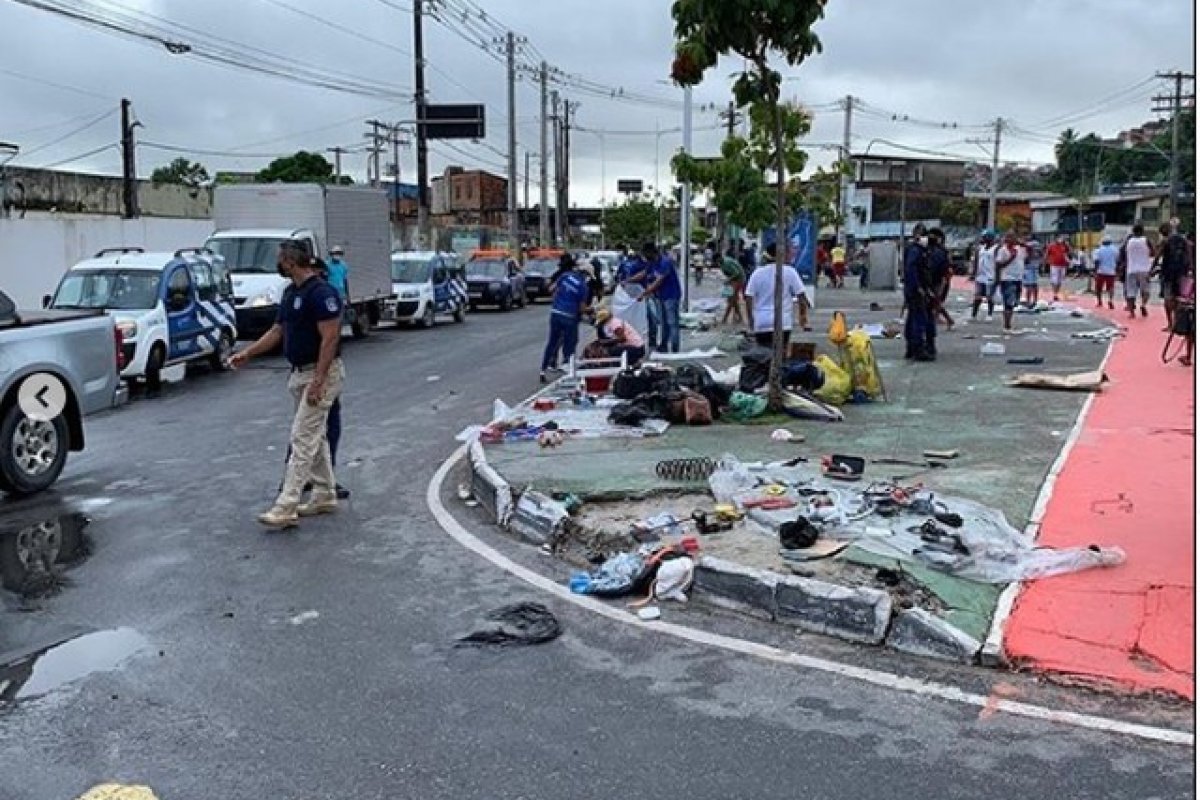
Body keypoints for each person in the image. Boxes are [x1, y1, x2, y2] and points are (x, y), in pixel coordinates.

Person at [231, 241, 345, 529]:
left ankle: (287, 504)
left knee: (301, 438)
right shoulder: (291, 292)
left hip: (321, 373)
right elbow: (277, 330)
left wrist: (319, 380)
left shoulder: (321, 293)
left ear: (291, 262)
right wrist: (248, 353)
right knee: (314, 437)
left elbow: (330, 338)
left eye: (280, 259)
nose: (278, 264)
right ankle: (324, 493)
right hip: (299, 373)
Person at [539, 253, 590, 383]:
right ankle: (568, 367)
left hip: (555, 313)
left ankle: (543, 370)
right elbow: (582, 309)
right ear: (585, 275)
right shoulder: (583, 286)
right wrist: (593, 310)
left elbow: (551, 289)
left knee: (552, 342)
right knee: (571, 342)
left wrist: (560, 298)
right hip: (569, 316)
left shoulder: (564, 276)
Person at [744, 248, 805, 351]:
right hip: (783, 322)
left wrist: (751, 319)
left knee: (763, 356)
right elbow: (801, 296)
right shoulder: (790, 271)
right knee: (781, 353)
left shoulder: (757, 273)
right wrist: (802, 316)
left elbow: (749, 297)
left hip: (762, 321)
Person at [637, 242, 683, 354]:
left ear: (651, 252)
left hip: (671, 295)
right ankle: (663, 345)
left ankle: (675, 348)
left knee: (672, 322)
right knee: (664, 322)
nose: (645, 257)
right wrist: (628, 281)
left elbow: (658, 281)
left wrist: (644, 293)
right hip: (661, 296)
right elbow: (644, 273)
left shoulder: (665, 262)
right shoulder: (652, 263)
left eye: (645, 254)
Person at [902, 224, 937, 361]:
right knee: (918, 319)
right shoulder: (916, 251)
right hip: (916, 290)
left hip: (915, 289)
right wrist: (918, 288)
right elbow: (912, 270)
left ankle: (912, 348)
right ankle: (917, 349)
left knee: (913, 318)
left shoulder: (916, 250)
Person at [1155, 222, 1193, 332]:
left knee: (1168, 299)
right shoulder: (1184, 240)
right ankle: (1177, 323)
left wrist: (1152, 270)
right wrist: (1190, 268)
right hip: (1182, 273)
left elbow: (1158, 256)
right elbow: (1189, 253)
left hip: (1168, 274)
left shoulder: (1165, 241)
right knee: (1179, 299)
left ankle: (1170, 324)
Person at [995, 231, 1026, 333]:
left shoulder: (1019, 249)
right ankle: (1007, 325)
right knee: (1008, 302)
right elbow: (999, 265)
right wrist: (1011, 258)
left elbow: (1030, 255)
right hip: (1007, 279)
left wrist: (1024, 244)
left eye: (1013, 237)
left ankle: (1008, 324)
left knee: (1014, 302)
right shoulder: (1002, 250)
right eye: (1008, 238)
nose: (1011, 240)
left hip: (1018, 279)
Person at [1122, 224, 1154, 319]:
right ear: (1142, 231)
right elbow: (1153, 252)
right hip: (1144, 269)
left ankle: (1132, 313)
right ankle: (1143, 305)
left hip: (1131, 269)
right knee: (1146, 290)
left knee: (1131, 292)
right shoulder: (1146, 240)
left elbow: (1124, 252)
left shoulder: (1129, 241)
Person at [927, 228, 954, 330]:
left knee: (935, 300)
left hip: (940, 279)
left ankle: (944, 319)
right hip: (932, 278)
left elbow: (948, 268)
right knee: (934, 301)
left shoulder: (943, 251)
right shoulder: (930, 249)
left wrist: (945, 281)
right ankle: (944, 319)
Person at [970, 231, 999, 322]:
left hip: (990, 275)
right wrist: (973, 273)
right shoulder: (980, 249)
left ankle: (989, 314)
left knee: (989, 296)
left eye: (985, 237)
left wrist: (998, 277)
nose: (983, 239)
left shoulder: (996, 249)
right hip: (980, 275)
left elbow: (998, 263)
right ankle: (974, 315)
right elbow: (976, 261)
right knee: (977, 296)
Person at [719, 245, 746, 326]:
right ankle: (740, 318)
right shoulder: (722, 263)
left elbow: (737, 273)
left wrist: (729, 279)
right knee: (733, 299)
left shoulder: (727, 262)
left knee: (731, 300)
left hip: (739, 279)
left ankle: (724, 319)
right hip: (733, 280)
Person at [1092, 235, 1120, 309]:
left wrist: (1095, 271)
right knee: (1110, 287)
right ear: (1110, 242)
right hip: (1111, 272)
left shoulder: (1098, 250)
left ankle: (1099, 301)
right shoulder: (1115, 250)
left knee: (1098, 288)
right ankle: (1110, 300)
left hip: (1101, 271)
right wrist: (1117, 271)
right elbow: (1117, 261)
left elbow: (1096, 262)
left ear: (1102, 242)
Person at [1045, 236, 1070, 303]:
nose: (1061, 240)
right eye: (1060, 238)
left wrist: (1066, 244)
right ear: (1056, 239)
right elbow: (1047, 254)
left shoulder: (1064, 245)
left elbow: (1068, 252)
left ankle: (1056, 293)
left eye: (1062, 238)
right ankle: (1055, 294)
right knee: (1055, 280)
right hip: (1054, 265)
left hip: (1063, 265)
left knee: (1060, 280)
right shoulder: (1051, 246)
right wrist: (1046, 261)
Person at [1022, 236, 1042, 308]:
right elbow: (1040, 254)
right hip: (1036, 266)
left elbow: (1027, 253)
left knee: (1029, 285)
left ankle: (1028, 301)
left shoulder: (1028, 245)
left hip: (1028, 267)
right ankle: (1035, 300)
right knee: (1035, 284)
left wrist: (1026, 259)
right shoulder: (1037, 244)